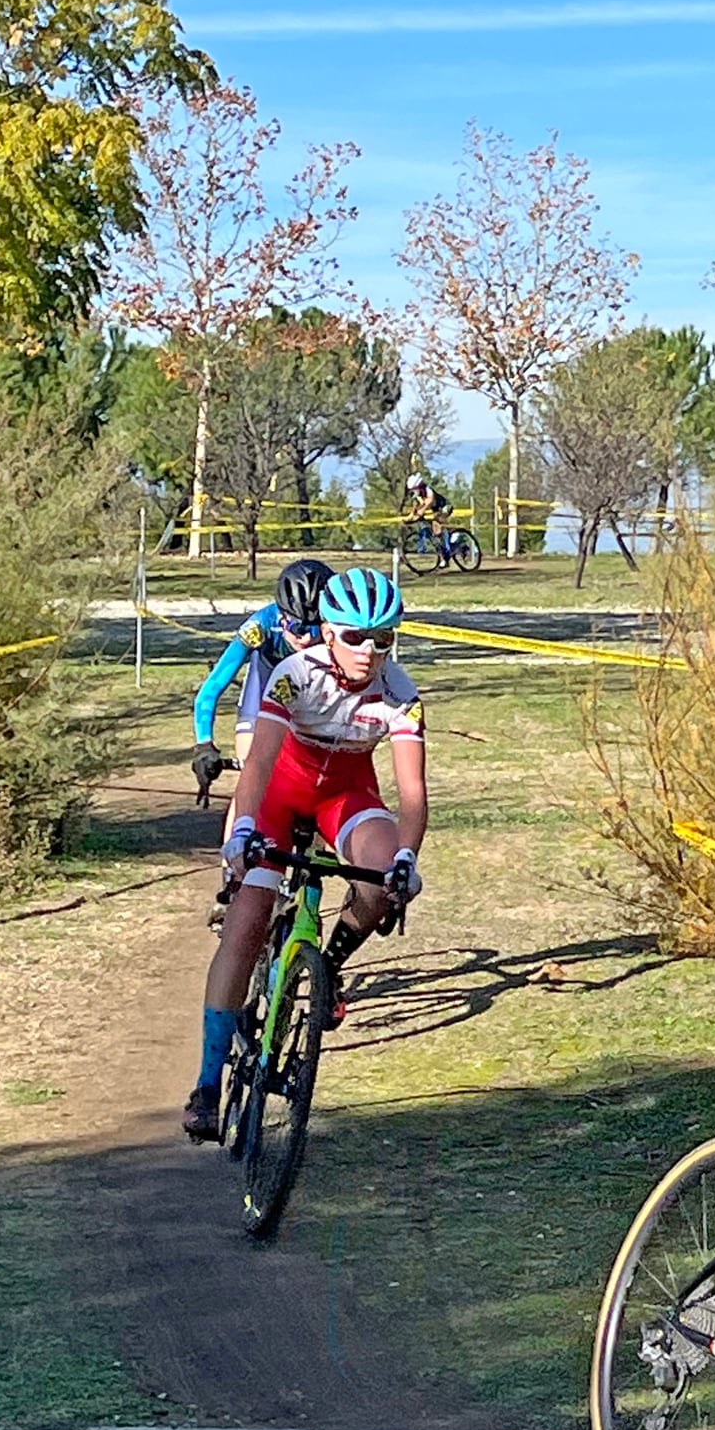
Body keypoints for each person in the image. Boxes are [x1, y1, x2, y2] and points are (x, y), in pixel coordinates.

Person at [183, 567, 428, 1141]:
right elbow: (261, 763)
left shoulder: (403, 695)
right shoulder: (294, 675)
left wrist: (406, 859)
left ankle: (326, 970)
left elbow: (412, 796)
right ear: (328, 632)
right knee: (245, 924)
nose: (370, 651)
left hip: (345, 795)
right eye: (354, 636)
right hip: (278, 794)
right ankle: (206, 1083)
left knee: (377, 883)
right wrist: (243, 827)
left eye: (384, 639)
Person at [190, 558, 333, 827]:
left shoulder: (338, 630)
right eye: (298, 628)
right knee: (252, 778)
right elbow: (210, 690)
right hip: (264, 689)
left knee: (317, 790)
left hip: (312, 695)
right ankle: (233, 859)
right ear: (281, 617)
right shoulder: (260, 626)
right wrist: (204, 745)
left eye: (316, 628)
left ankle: (312, 854)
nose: (307, 638)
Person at [404, 473, 452, 561]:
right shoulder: (418, 496)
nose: (412, 492)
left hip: (445, 507)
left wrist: (418, 514)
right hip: (436, 510)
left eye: (413, 490)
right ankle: (444, 551)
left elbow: (426, 505)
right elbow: (415, 509)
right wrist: (409, 517)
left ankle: (449, 545)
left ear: (418, 487)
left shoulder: (429, 491)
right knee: (435, 531)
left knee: (437, 528)